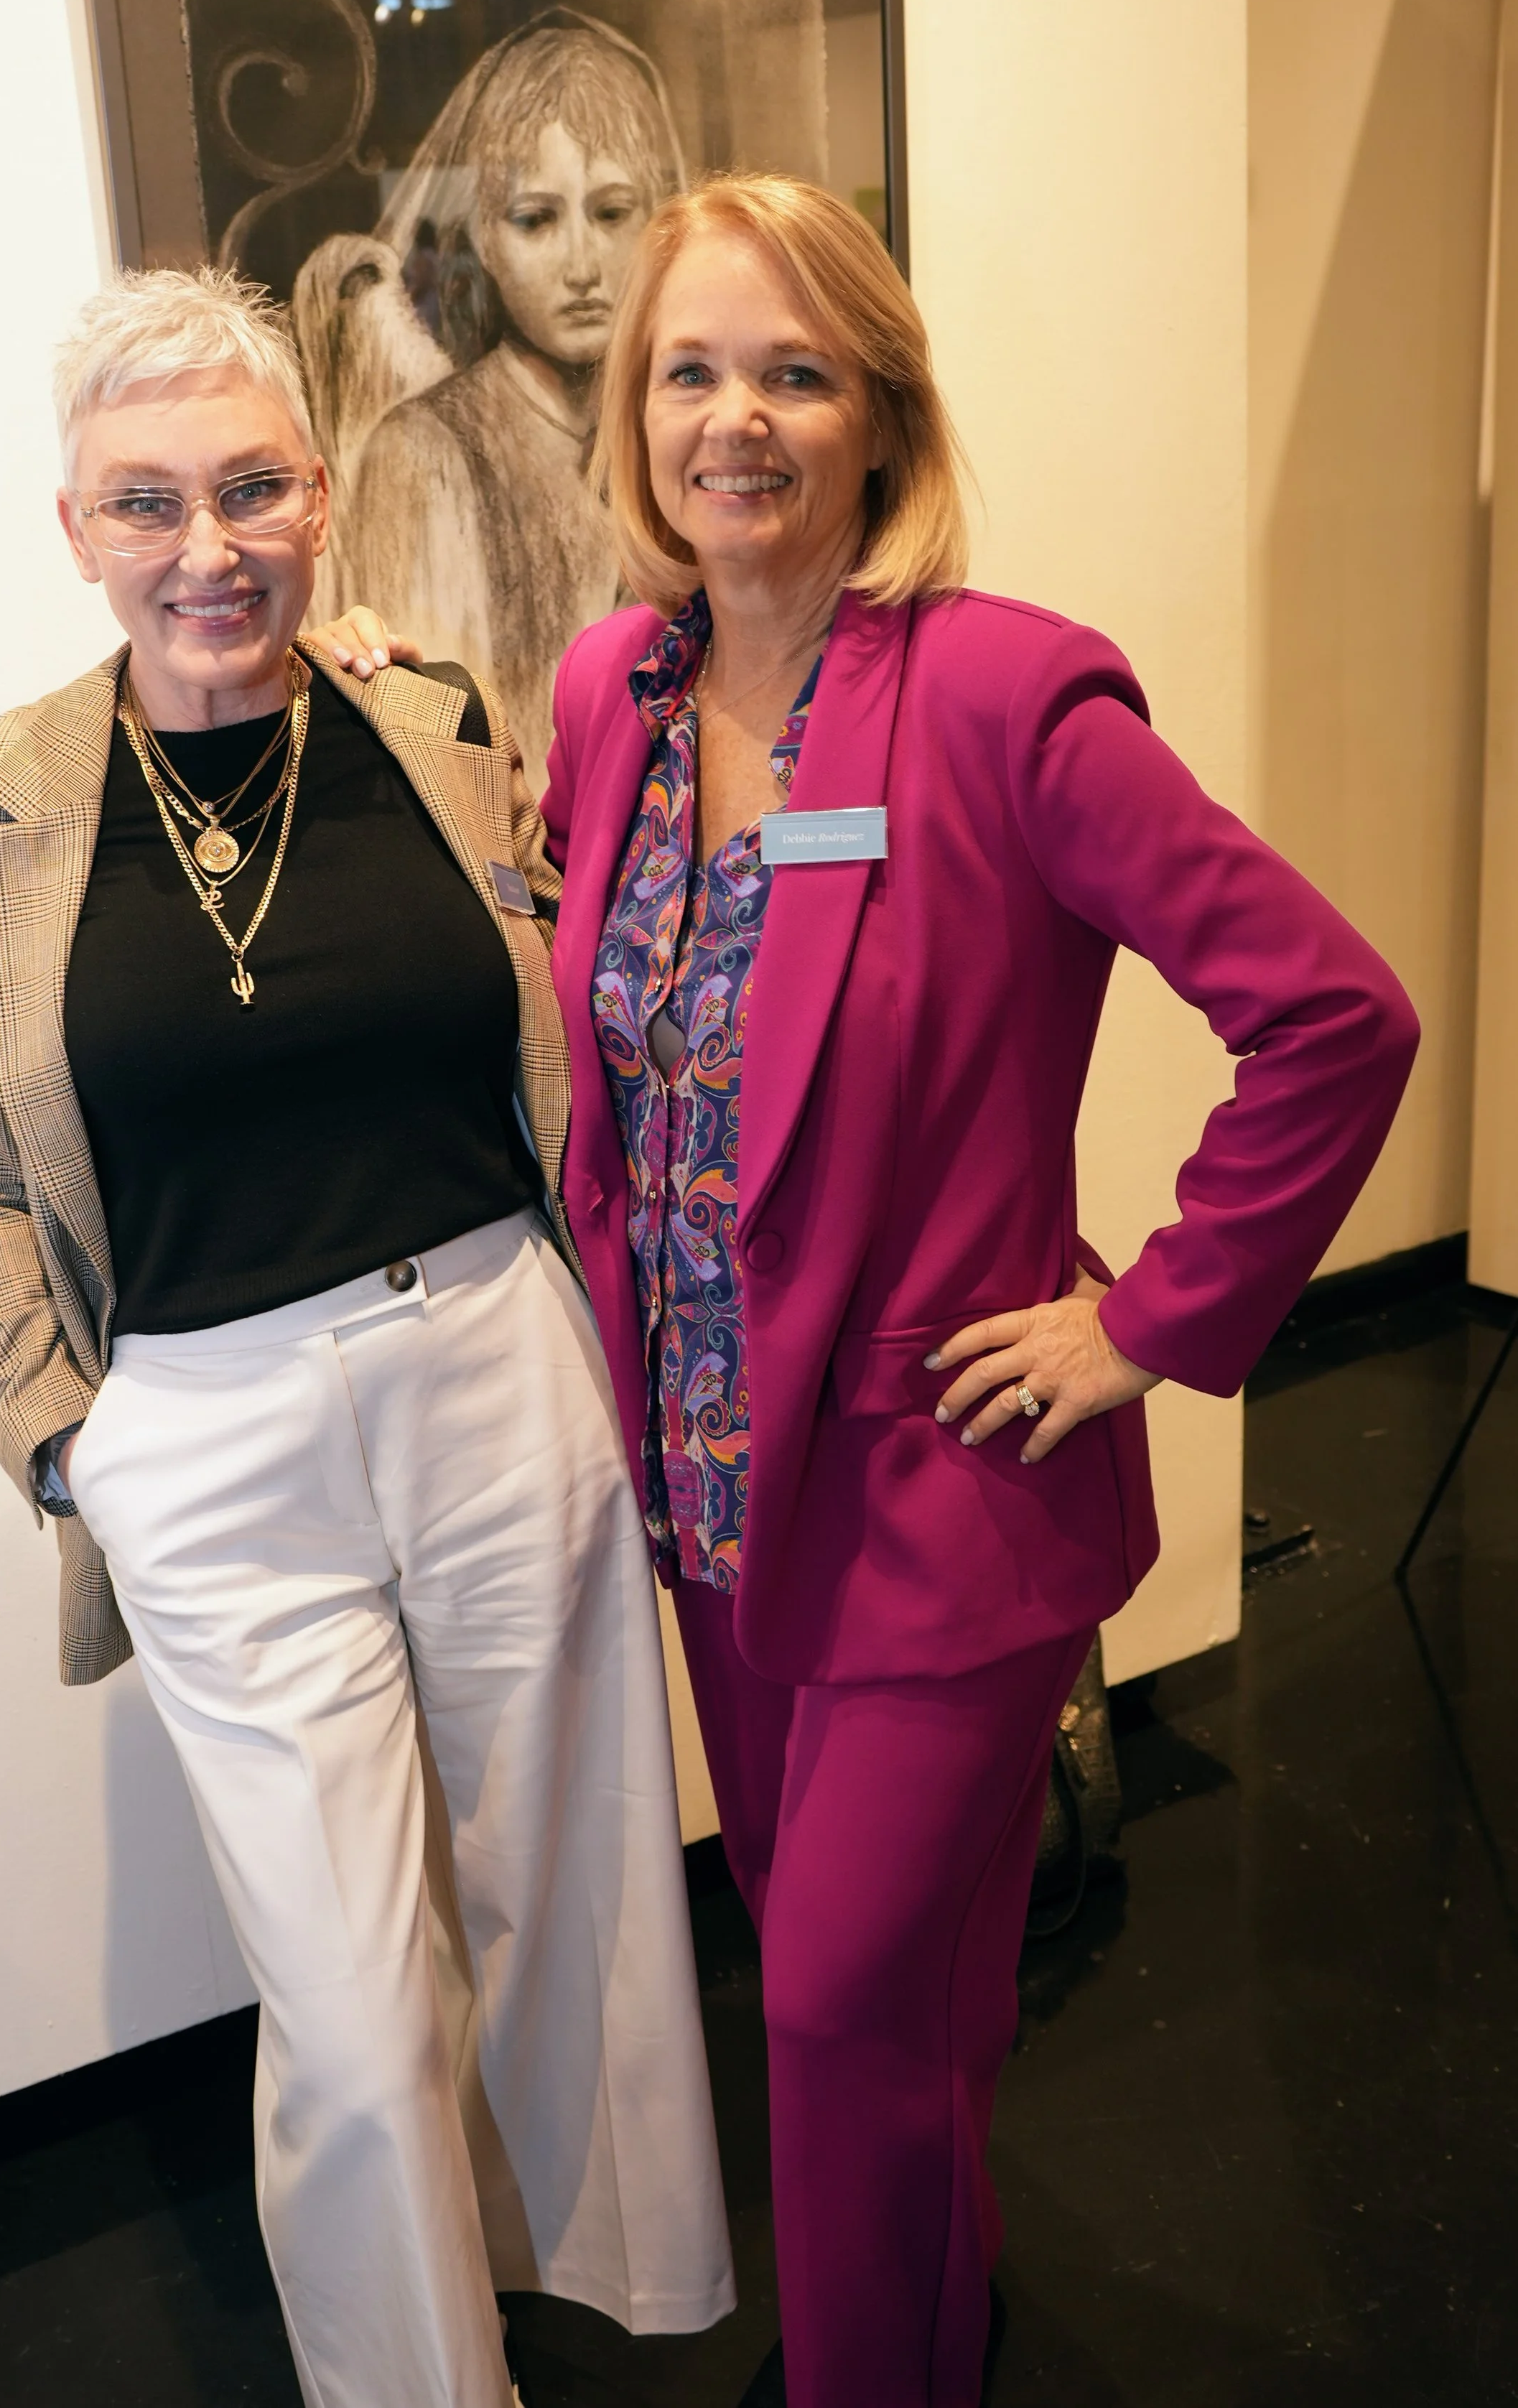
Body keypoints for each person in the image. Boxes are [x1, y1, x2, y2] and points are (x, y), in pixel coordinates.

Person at [338, 170, 1420, 2407]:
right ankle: (936, 2295)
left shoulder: (1008, 699)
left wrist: (1142, 1318)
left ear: (880, 417)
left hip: (944, 1486)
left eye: (792, 372)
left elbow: (1332, 1016)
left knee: (833, 1997)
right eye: (687, 371)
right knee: (857, 1976)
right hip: (715, 1490)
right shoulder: (612, 686)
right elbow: (611, 1020)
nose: (731, 419)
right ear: (632, 412)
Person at [0, 266, 732, 2408]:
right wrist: (67, 1436)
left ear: (321, 494)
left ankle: (604, 2298)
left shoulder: (429, 721)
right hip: (204, 1437)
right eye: (146, 500)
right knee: (352, 2008)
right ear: (74, 527)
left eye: (251, 486)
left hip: (496, 1365)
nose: (209, 544)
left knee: (580, 1895)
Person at [329, 8, 684, 778]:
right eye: (536, 220)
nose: (583, 265)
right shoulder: (423, 455)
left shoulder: (683, 436)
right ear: (484, 238)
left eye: (612, 212)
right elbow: (439, 760)